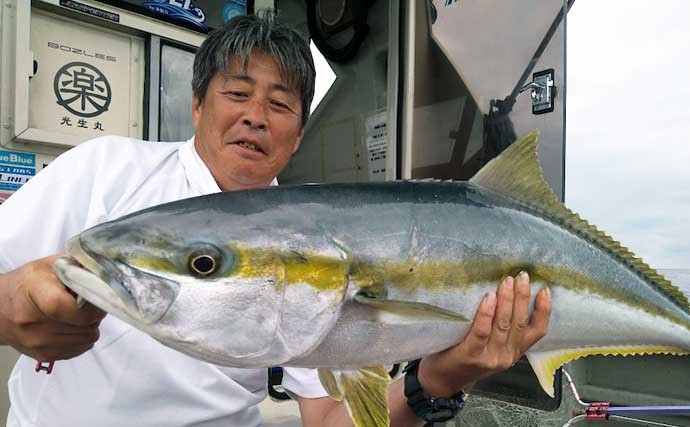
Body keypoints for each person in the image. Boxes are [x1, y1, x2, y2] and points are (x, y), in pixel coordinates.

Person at [0, 13, 552, 427]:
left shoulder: (307, 236)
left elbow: (333, 421)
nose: (254, 117)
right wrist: (10, 303)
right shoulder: (104, 170)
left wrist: (436, 380)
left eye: (280, 105)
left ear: (300, 131)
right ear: (197, 105)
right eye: (237, 93)